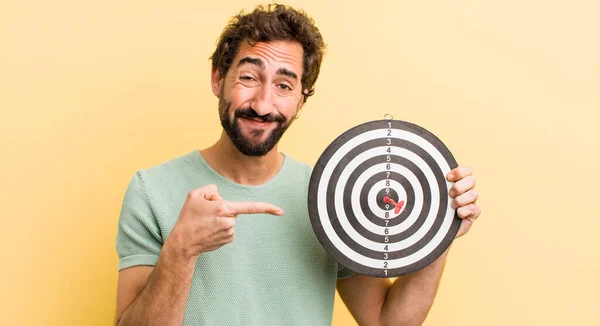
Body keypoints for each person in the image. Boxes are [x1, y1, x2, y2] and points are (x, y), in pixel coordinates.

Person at [114, 4, 481, 326]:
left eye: (285, 86)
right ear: (217, 78)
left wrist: (440, 231)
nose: (262, 103)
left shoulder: (330, 195)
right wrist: (182, 249)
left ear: (302, 100)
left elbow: (387, 321)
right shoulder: (151, 190)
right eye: (248, 77)